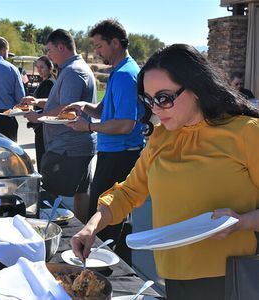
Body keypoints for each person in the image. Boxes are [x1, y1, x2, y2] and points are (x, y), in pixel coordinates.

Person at [71, 44, 259, 300]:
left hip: (232, 279)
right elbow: (128, 192)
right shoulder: (161, 138)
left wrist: (244, 222)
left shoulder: (247, 132)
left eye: (164, 98)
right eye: (148, 100)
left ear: (196, 88)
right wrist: (90, 227)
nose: (156, 109)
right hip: (173, 275)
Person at [63, 19, 144, 266]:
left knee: (103, 221)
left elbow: (125, 124)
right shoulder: (121, 71)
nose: (97, 51)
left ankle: (102, 272)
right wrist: (86, 107)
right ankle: (112, 267)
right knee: (109, 219)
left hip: (119, 156)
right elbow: (108, 112)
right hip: (115, 154)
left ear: (115, 43)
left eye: (100, 46)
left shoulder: (124, 75)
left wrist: (87, 126)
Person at [23, 29, 96, 221]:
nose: (49, 55)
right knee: (81, 190)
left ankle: (51, 230)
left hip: (67, 146)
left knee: (48, 192)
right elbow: (61, 101)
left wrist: (38, 118)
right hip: (77, 144)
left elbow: (66, 107)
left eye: (50, 50)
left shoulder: (73, 71)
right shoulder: (75, 68)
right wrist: (38, 102)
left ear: (61, 47)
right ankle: (80, 230)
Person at [26, 56, 55, 171]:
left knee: (42, 157)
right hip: (42, 125)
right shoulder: (47, 81)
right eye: (37, 67)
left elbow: (46, 107)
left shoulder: (48, 83)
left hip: (43, 126)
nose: (39, 70)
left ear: (50, 67)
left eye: (42, 67)